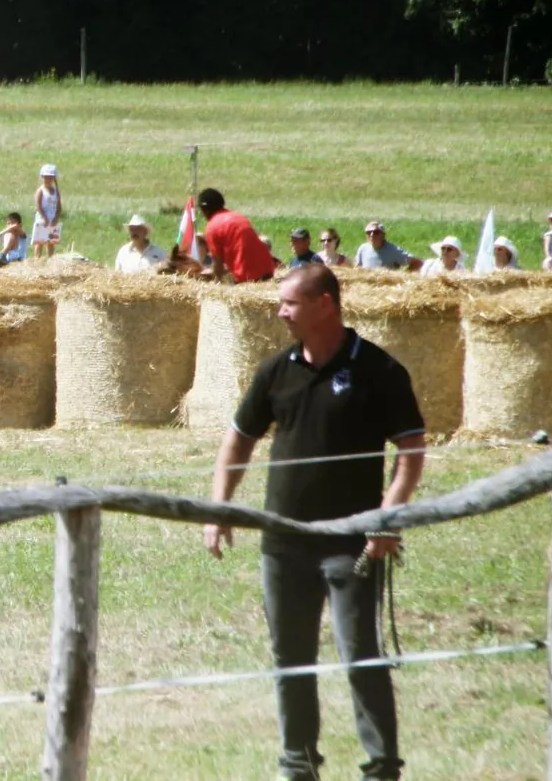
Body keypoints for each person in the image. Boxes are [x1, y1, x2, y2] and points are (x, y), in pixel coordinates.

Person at [204, 265, 426, 781]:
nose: (280, 311)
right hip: (283, 542)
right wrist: (220, 509)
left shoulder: (379, 370)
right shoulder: (275, 370)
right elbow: (238, 441)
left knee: (360, 656)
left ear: (326, 303)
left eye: (290, 303)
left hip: (353, 543)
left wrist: (386, 518)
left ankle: (381, 769)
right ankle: (297, 763)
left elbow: (411, 448)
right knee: (291, 657)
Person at [196, 187, 276, 283]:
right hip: (268, 269)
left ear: (205, 210)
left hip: (247, 277)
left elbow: (218, 266)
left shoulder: (212, 227)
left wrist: (214, 282)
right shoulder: (238, 216)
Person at [355, 222, 422, 272]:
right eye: (369, 232)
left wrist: (405, 275)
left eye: (376, 232)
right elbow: (357, 269)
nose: (372, 235)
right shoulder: (363, 249)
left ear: (383, 235)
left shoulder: (393, 250)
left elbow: (417, 262)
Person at [31, 164, 63, 259]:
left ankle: (50, 260)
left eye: (50, 177)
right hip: (42, 220)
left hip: (52, 219)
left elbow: (59, 207)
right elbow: (38, 206)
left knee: (50, 242)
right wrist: (45, 218)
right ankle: (37, 260)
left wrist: (56, 218)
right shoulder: (40, 191)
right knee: (39, 242)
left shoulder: (56, 192)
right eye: (46, 177)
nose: (48, 180)